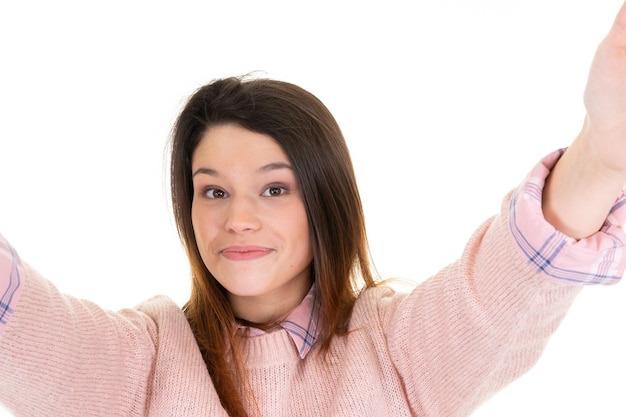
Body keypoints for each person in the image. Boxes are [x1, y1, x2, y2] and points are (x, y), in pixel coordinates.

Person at [1, 2, 626, 416]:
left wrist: (600, 154)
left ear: (324, 200)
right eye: (213, 190)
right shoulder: (146, 359)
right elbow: (22, 324)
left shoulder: (394, 348)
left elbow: (502, 288)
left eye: (275, 189)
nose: (237, 218)